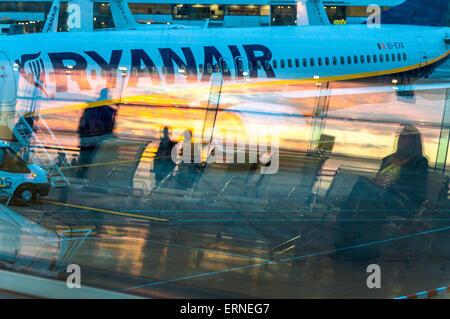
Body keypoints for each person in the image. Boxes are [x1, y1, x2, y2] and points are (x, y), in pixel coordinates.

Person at [335, 124, 429, 260]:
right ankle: (352, 248)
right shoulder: (388, 159)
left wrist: (390, 185)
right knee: (363, 192)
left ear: (414, 141)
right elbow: (378, 181)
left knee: (362, 198)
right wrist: (377, 183)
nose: (402, 140)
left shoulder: (419, 162)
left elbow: (417, 190)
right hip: (381, 196)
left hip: (402, 200)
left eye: (406, 138)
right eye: (401, 137)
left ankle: (352, 248)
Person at [77, 88, 117, 179]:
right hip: (96, 143)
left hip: (89, 142)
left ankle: (83, 179)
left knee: (85, 166)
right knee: (94, 165)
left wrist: (83, 140)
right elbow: (109, 129)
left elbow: (82, 126)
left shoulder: (91, 108)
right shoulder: (107, 111)